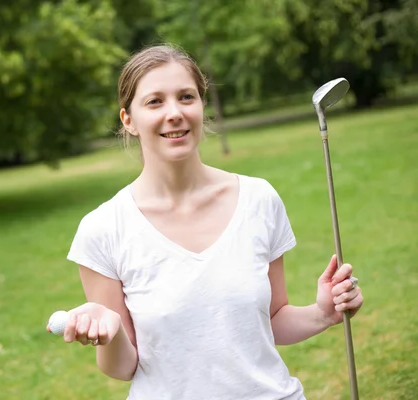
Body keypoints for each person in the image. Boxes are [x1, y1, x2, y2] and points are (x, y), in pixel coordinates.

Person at [47, 44, 364, 400]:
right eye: (154, 102)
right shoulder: (102, 229)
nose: (175, 113)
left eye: (186, 97)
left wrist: (323, 313)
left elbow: (270, 320)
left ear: (201, 106)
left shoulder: (259, 199)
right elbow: (123, 367)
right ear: (128, 120)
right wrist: (112, 331)